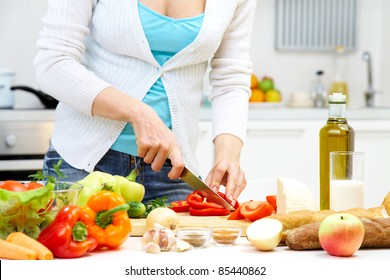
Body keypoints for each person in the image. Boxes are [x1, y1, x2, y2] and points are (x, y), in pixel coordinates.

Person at [34, 0, 256, 206]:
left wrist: (228, 156)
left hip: (173, 169)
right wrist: (139, 113)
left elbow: (231, 80)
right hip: (83, 165)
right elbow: (53, 63)